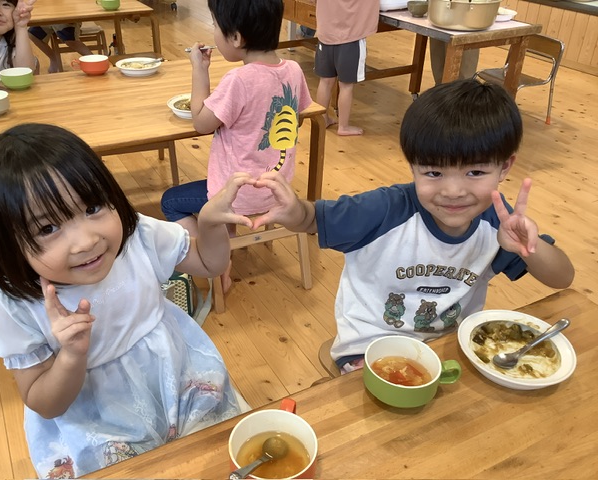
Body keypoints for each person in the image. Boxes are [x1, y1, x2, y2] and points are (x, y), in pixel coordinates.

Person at [0, 123, 253, 478]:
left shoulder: (137, 237)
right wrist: (71, 355)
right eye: (47, 228)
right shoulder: (15, 307)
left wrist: (209, 226)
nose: (87, 240)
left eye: (93, 207)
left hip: (178, 380)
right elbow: (44, 403)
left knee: (216, 454)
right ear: (3, 243)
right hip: (96, 421)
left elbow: (208, 263)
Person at [250, 79, 575, 373]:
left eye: (475, 172)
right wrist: (295, 211)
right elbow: (312, 220)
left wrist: (529, 248)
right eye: (434, 173)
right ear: (413, 167)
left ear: (504, 167)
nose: (453, 191)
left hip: (449, 348)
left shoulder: (497, 222)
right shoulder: (385, 210)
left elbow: (562, 278)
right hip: (368, 348)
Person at [160, 0, 312, 291]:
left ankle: (214, 259)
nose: (214, 32)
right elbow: (298, 117)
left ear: (236, 37)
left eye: (215, 26)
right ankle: (226, 236)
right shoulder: (293, 69)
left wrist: (199, 69)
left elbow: (201, 122)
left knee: (170, 202)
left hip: (239, 196)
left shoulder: (238, 80)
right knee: (222, 184)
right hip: (278, 189)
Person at [313, 0, 380, 135]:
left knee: (325, 81)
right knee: (346, 86)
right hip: (351, 39)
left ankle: (322, 119)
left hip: (325, 36)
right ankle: (343, 126)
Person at [29, 24, 93, 74]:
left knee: (69, 39)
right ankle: (54, 59)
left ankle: (92, 59)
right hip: (49, 17)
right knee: (32, 33)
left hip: (67, 19)